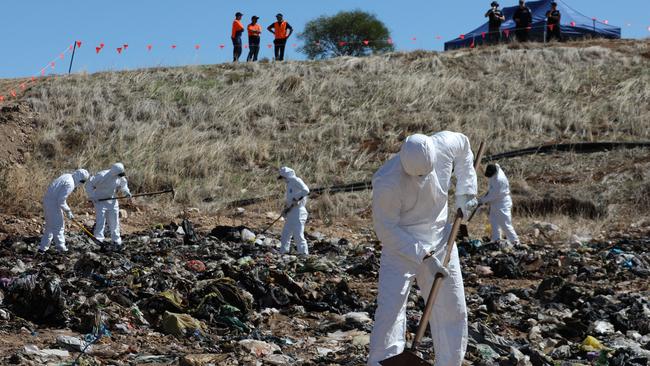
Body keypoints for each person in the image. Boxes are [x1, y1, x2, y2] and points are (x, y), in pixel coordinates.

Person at [368, 133, 478, 366]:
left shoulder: (446, 145)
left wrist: (466, 192)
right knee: (390, 311)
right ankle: (382, 361)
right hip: (401, 245)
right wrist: (423, 256)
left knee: (452, 308)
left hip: (440, 239)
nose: (421, 179)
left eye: (425, 173)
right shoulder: (387, 181)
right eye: (415, 175)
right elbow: (386, 230)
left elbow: (465, 150)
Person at [39, 169, 90, 253]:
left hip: (48, 201)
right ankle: (62, 249)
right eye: (82, 181)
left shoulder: (67, 176)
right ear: (79, 178)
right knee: (59, 226)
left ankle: (42, 249)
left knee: (50, 227)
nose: (82, 183)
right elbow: (61, 200)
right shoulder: (70, 183)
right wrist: (68, 211)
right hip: (53, 204)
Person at [86, 163, 132, 249]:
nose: (120, 176)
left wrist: (126, 192)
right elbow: (89, 184)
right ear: (114, 172)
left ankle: (116, 239)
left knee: (114, 221)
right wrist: (92, 196)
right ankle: (99, 239)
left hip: (112, 200)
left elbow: (124, 185)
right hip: (100, 201)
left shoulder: (119, 177)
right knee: (101, 220)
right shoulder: (101, 175)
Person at [478, 164, 520, 245]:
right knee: (494, 221)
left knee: (505, 223)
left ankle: (515, 241)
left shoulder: (500, 180)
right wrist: (483, 198)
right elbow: (491, 191)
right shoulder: (495, 170)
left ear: (494, 173)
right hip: (495, 202)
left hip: (502, 203)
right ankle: (496, 239)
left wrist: (481, 200)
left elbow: (493, 195)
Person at [278, 167, 310, 255]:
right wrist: (285, 209)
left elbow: (306, 190)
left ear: (286, 176)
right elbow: (290, 200)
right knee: (285, 234)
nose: (283, 179)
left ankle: (304, 254)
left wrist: (297, 198)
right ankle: (283, 252)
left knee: (298, 235)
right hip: (291, 212)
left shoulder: (296, 180)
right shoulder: (289, 184)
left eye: (283, 177)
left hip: (299, 212)